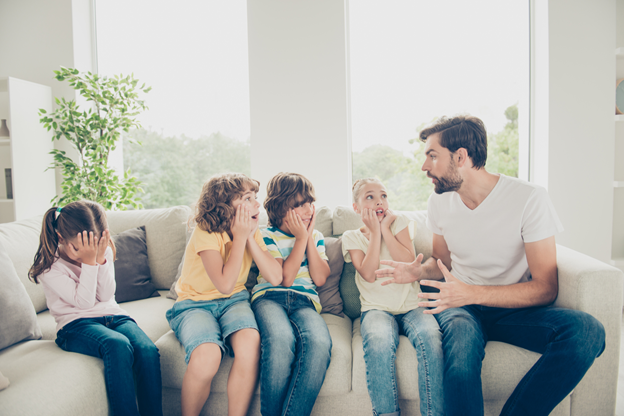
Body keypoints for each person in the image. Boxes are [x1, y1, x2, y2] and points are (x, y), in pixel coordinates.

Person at [376, 115, 605, 416]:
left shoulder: (528, 198)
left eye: (432, 155)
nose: (424, 166)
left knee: (587, 332)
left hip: (513, 307)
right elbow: (441, 263)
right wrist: (418, 271)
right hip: (461, 308)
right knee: (459, 365)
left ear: (461, 156)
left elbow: (546, 288)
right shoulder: (440, 201)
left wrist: (472, 293)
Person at [29, 200, 163, 416]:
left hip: (114, 315)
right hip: (74, 326)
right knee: (117, 345)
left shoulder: (102, 252)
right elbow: (83, 302)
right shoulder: (50, 266)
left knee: (147, 350)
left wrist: (99, 259)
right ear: (61, 238)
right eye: (79, 248)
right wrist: (90, 263)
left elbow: (106, 295)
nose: (88, 252)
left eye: (96, 245)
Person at [166, 173, 281, 416]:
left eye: (255, 197)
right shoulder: (205, 232)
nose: (257, 204)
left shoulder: (252, 230)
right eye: (248, 198)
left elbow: (276, 277)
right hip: (194, 304)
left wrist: (248, 236)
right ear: (226, 207)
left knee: (250, 342)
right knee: (207, 355)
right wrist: (240, 238)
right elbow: (224, 283)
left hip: (235, 301)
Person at [342, 178, 443, 416]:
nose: (379, 201)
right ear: (356, 208)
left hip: (412, 306)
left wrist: (386, 229)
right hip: (376, 309)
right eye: (370, 196)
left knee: (431, 338)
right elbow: (368, 273)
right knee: (378, 343)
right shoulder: (352, 237)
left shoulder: (400, 224)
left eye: (383, 195)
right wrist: (375, 233)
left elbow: (409, 263)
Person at [251, 172, 332, 416]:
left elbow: (319, 278)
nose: (309, 209)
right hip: (269, 298)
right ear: (281, 206)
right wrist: (299, 238)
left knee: (319, 343)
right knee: (280, 340)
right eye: (300, 204)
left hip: (305, 302)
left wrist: (307, 238)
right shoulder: (265, 235)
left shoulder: (315, 237)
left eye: (310, 203)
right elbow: (285, 278)